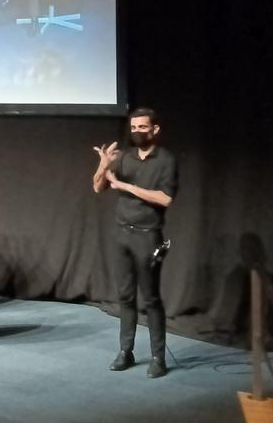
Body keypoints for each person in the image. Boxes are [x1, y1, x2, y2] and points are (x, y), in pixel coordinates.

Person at [91, 107, 178, 378]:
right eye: (134, 127)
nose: (137, 131)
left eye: (143, 127)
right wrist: (104, 165)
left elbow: (165, 198)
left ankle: (157, 357)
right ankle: (125, 351)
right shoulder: (125, 156)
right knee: (125, 296)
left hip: (147, 235)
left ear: (155, 129)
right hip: (122, 235)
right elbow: (98, 187)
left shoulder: (166, 160)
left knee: (151, 298)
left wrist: (125, 186)